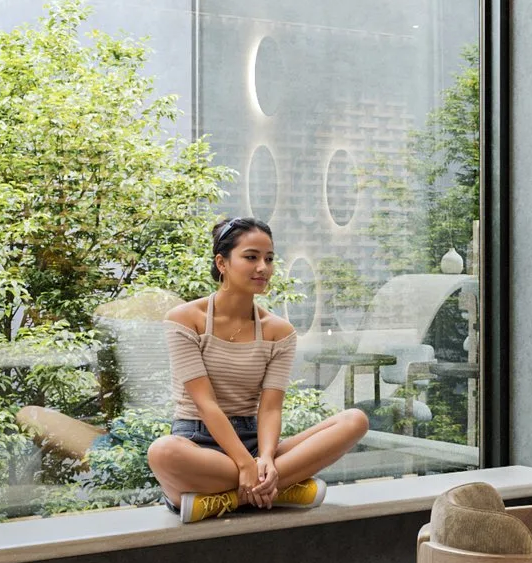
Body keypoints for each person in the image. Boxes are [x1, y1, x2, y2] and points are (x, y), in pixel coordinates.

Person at [146, 216, 371, 520]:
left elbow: (270, 408)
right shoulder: (185, 319)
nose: (263, 268)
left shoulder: (279, 331)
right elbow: (205, 402)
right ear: (222, 263)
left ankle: (226, 499)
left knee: (354, 421)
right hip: (197, 442)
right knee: (162, 452)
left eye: (269, 259)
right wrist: (244, 464)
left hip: (255, 442)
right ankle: (281, 487)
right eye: (251, 257)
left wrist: (263, 457)